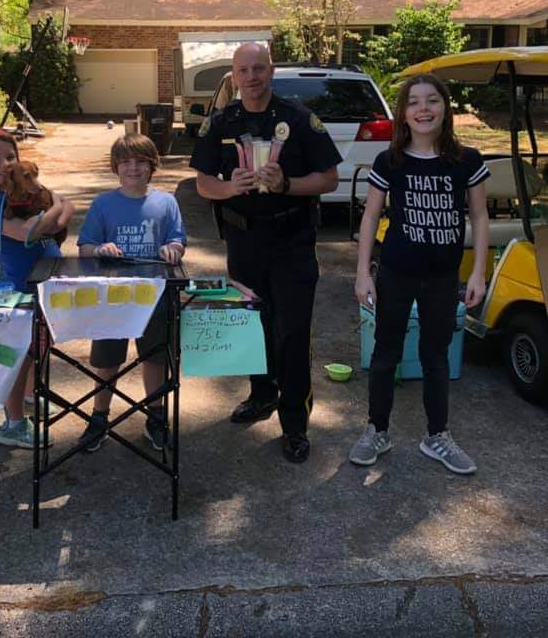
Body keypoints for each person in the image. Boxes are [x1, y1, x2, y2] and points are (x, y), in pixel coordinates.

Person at [190, 42, 342, 464]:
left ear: (271, 71)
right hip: (243, 242)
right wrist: (230, 188)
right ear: (234, 76)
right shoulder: (222, 121)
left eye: (259, 68)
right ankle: (261, 396)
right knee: (251, 325)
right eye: (244, 70)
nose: (252, 76)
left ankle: (294, 424)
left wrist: (286, 185)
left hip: (292, 241)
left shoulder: (297, 119)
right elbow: (203, 183)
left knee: (291, 334)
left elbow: (329, 179)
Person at [350, 74, 489, 474]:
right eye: (414, 102)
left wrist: (477, 273)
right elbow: (371, 216)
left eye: (432, 101)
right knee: (384, 356)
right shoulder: (389, 161)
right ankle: (377, 430)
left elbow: (478, 217)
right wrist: (363, 273)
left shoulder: (468, 161)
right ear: (403, 113)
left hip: (443, 278)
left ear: (445, 107)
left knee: (436, 358)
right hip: (395, 273)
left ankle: (437, 436)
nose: (423, 109)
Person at [77, 133, 186, 452]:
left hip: (155, 294)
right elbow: (84, 247)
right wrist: (100, 249)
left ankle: (156, 416)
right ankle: (99, 417)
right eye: (125, 162)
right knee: (107, 360)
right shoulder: (103, 204)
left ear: (152, 166)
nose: (133, 168)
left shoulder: (166, 202)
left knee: (154, 359)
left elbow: (178, 241)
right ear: (115, 167)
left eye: (140, 162)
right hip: (113, 296)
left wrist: (173, 248)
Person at [0, 127, 75, 448]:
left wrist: (58, 210)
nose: (4, 164)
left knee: (36, 351)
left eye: (10, 156)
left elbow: (67, 210)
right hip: (20, 290)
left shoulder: (15, 193)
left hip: (44, 285)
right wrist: (56, 208)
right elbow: (34, 230)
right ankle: (14, 425)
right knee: (18, 358)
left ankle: (29, 399)